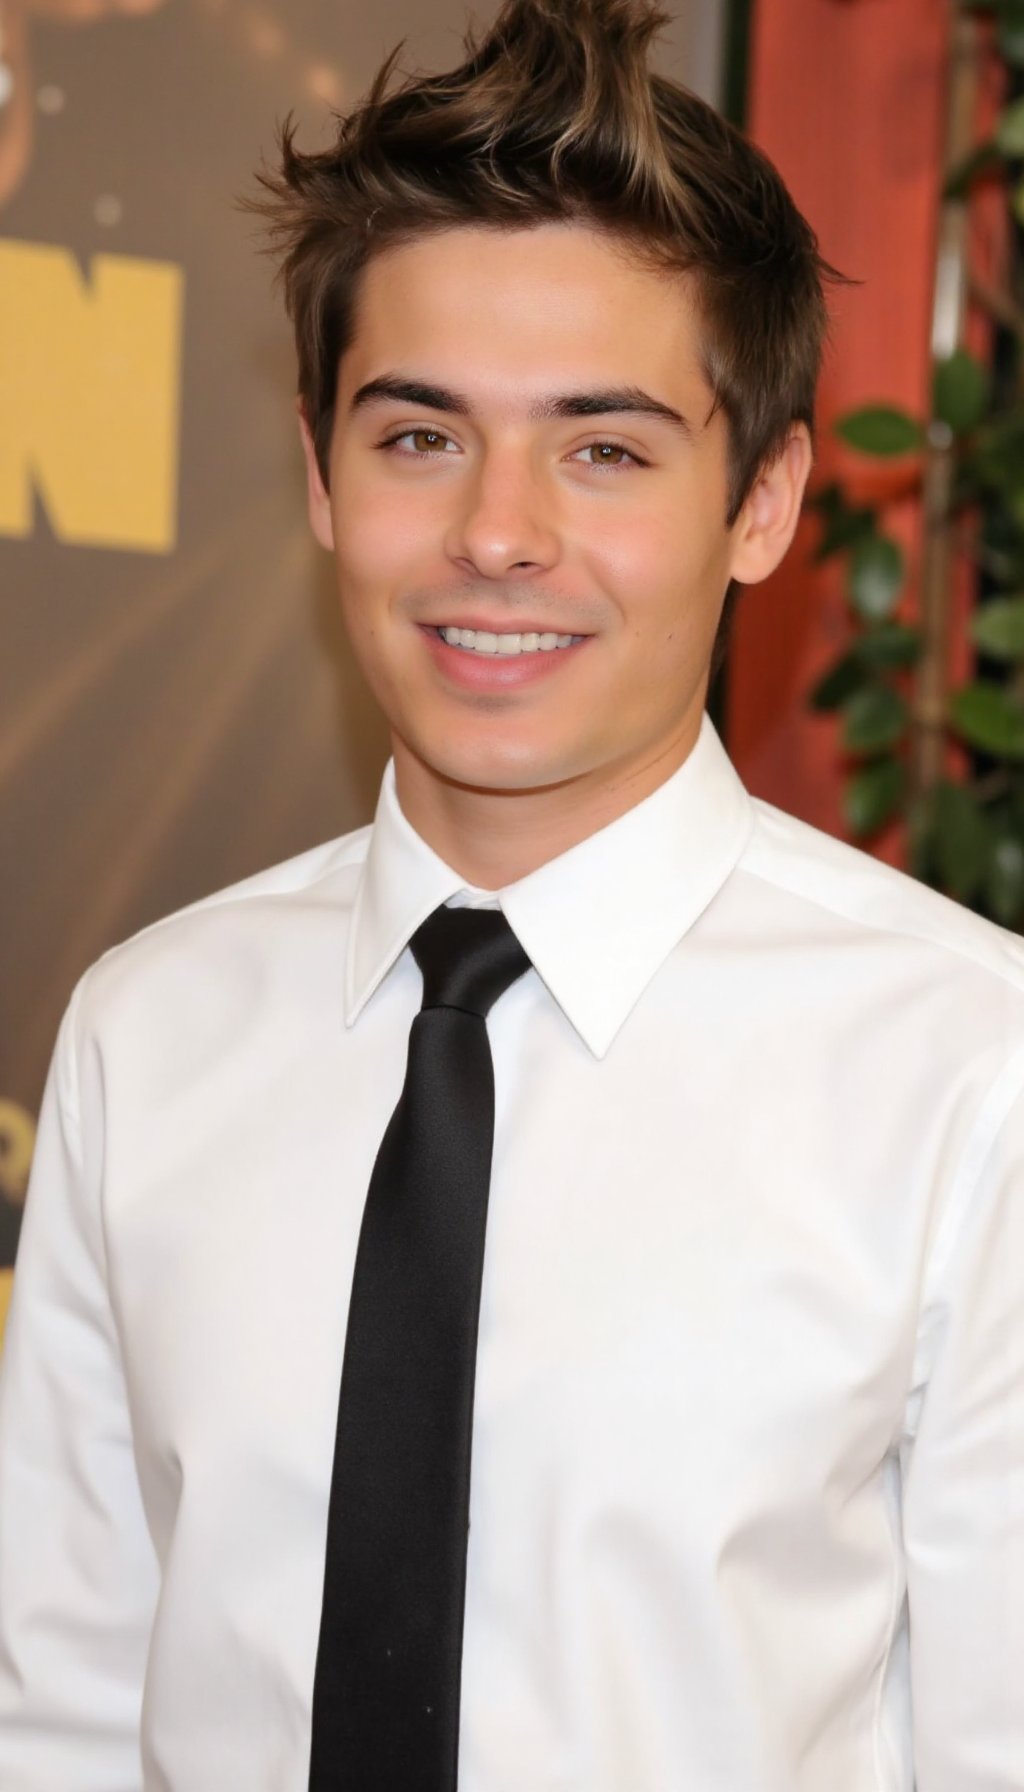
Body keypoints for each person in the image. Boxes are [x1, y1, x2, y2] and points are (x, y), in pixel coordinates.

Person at [0, 0, 1021, 1786]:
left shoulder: (967, 1069)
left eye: (606, 449)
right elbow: (61, 1708)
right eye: (419, 438)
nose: (498, 531)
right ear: (318, 473)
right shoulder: (148, 1033)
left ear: (764, 501)